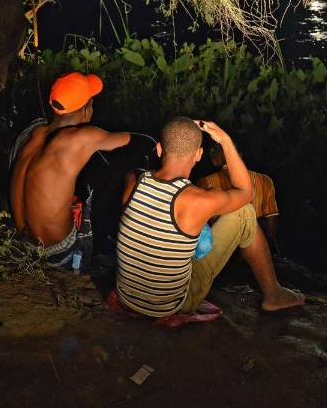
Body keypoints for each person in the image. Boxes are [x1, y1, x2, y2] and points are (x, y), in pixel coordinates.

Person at [114, 117, 304, 317]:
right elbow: (246, 192)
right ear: (198, 155)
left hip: (127, 296)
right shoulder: (197, 200)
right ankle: (274, 295)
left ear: (160, 149)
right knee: (245, 213)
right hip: (168, 306)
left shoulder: (134, 179)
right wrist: (225, 140)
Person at [9, 71, 131, 263]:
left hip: (25, 239)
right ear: (86, 109)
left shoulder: (35, 132)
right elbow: (132, 140)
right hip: (60, 249)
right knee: (107, 183)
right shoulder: (82, 137)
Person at [197, 140, 280, 251]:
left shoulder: (205, 183)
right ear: (239, 156)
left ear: (214, 161)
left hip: (223, 253)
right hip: (257, 250)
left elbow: (202, 229)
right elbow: (271, 228)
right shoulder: (264, 181)